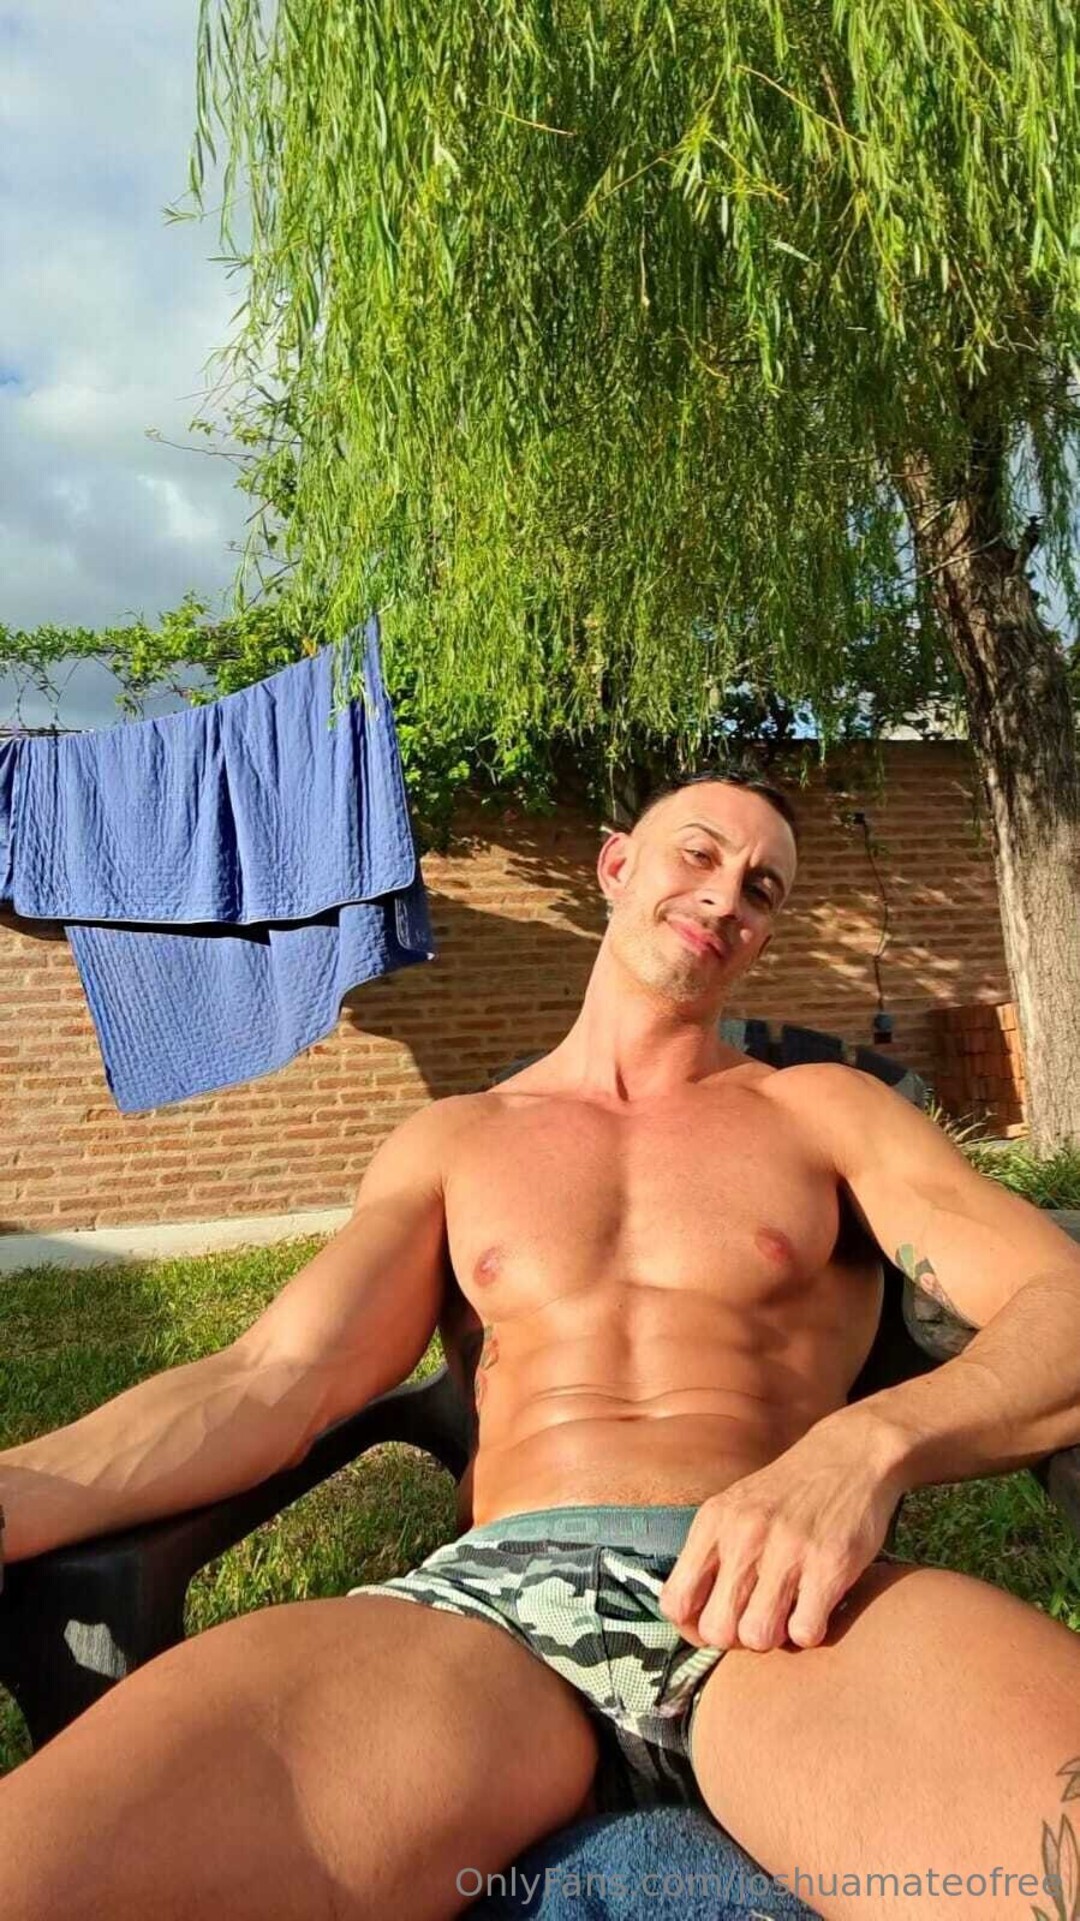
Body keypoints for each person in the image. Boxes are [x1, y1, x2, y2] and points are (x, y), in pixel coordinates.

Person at [2, 769, 1080, 1921]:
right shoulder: (455, 1141)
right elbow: (274, 1376)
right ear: (616, 865)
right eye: (699, 854)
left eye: (762, 888)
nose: (727, 896)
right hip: (486, 1612)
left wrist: (867, 1447)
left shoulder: (823, 1110)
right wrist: (20, 1491)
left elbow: (1059, 1295)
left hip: (778, 1602)